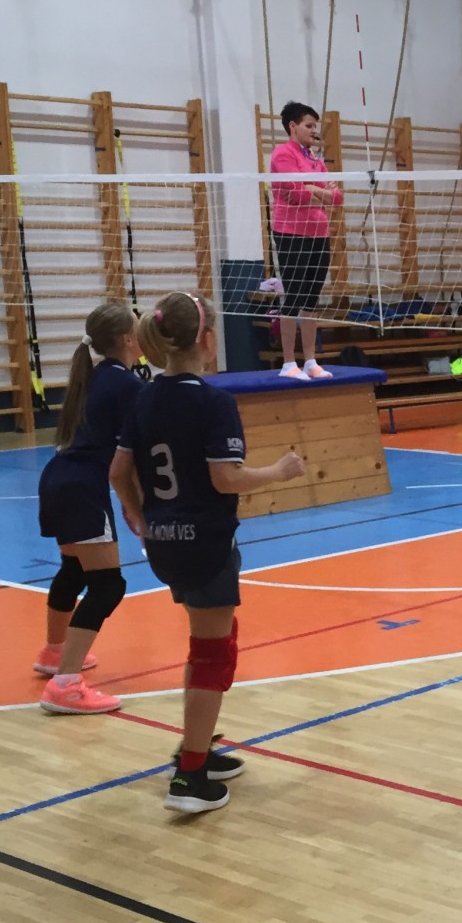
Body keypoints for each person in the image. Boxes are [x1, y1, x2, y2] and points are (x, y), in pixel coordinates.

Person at [111, 291, 306, 814]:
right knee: (213, 655)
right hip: (204, 540)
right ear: (208, 340)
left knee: (207, 647)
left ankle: (194, 748)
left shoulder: (144, 397)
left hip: (165, 541)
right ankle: (189, 778)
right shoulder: (213, 402)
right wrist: (278, 472)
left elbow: (118, 471)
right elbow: (226, 478)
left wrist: (140, 517)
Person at [33, 302, 143, 714]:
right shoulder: (127, 385)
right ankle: (65, 684)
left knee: (74, 569)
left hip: (57, 479)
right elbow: (131, 456)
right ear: (128, 339)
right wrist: (137, 506)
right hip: (82, 489)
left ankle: (53, 652)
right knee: (108, 586)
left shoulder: (93, 375)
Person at [267, 101, 342, 382]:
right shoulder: (282, 154)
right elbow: (294, 193)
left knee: (312, 297)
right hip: (291, 233)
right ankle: (289, 362)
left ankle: (310, 360)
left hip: (319, 233)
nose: (313, 131)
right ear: (293, 126)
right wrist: (317, 190)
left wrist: (313, 188)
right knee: (295, 295)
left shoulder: (314, 160)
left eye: (315, 126)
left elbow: (337, 198)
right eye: (309, 125)